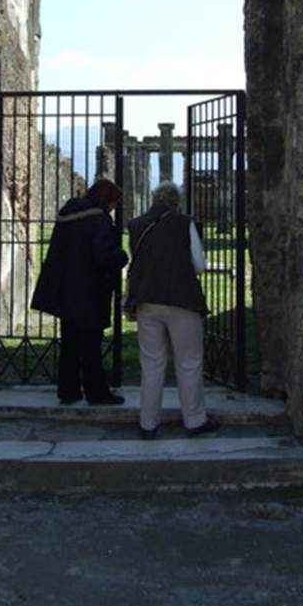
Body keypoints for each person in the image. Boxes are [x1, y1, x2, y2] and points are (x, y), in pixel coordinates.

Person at [125, 181, 220, 439]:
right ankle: (194, 419)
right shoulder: (183, 222)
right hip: (182, 299)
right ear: (176, 201)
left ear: (154, 198)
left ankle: (148, 423)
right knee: (189, 362)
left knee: (152, 363)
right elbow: (199, 265)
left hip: (147, 299)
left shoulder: (135, 225)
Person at [31, 178, 128, 406]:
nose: (114, 208)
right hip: (89, 290)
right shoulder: (98, 219)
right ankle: (97, 393)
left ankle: (68, 390)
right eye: (114, 202)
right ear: (107, 199)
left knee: (70, 345)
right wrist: (122, 256)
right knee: (91, 346)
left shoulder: (69, 213)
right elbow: (102, 254)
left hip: (66, 289)